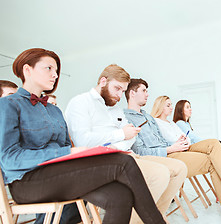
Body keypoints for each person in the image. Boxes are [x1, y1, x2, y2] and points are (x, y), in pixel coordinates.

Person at [0, 48, 166, 224]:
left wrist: (77, 154)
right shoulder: (8, 105)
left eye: (56, 71)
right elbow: (9, 158)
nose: (55, 75)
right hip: (27, 182)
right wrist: (66, 153)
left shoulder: (54, 110)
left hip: (60, 174)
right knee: (124, 163)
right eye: (48, 68)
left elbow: (65, 147)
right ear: (27, 70)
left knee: (120, 196)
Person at [123, 79, 221, 224]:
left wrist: (175, 143)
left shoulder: (147, 117)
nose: (147, 94)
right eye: (144, 90)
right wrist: (170, 148)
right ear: (132, 93)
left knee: (214, 144)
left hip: (173, 150)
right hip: (164, 158)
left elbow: (162, 140)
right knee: (213, 159)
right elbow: (139, 151)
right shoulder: (126, 118)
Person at [65, 64, 187, 223]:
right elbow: (83, 140)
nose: (119, 95)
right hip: (100, 161)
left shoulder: (114, 108)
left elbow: (131, 137)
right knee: (160, 174)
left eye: (122, 91)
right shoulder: (80, 103)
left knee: (179, 168)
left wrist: (117, 143)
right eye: (117, 88)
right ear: (103, 81)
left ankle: (146, 218)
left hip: (126, 154)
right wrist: (120, 135)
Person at [0, 79, 82, 224]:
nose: (16, 100)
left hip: (48, 170)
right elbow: (11, 158)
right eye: (10, 96)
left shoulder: (45, 116)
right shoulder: (8, 114)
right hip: (24, 178)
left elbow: (64, 145)